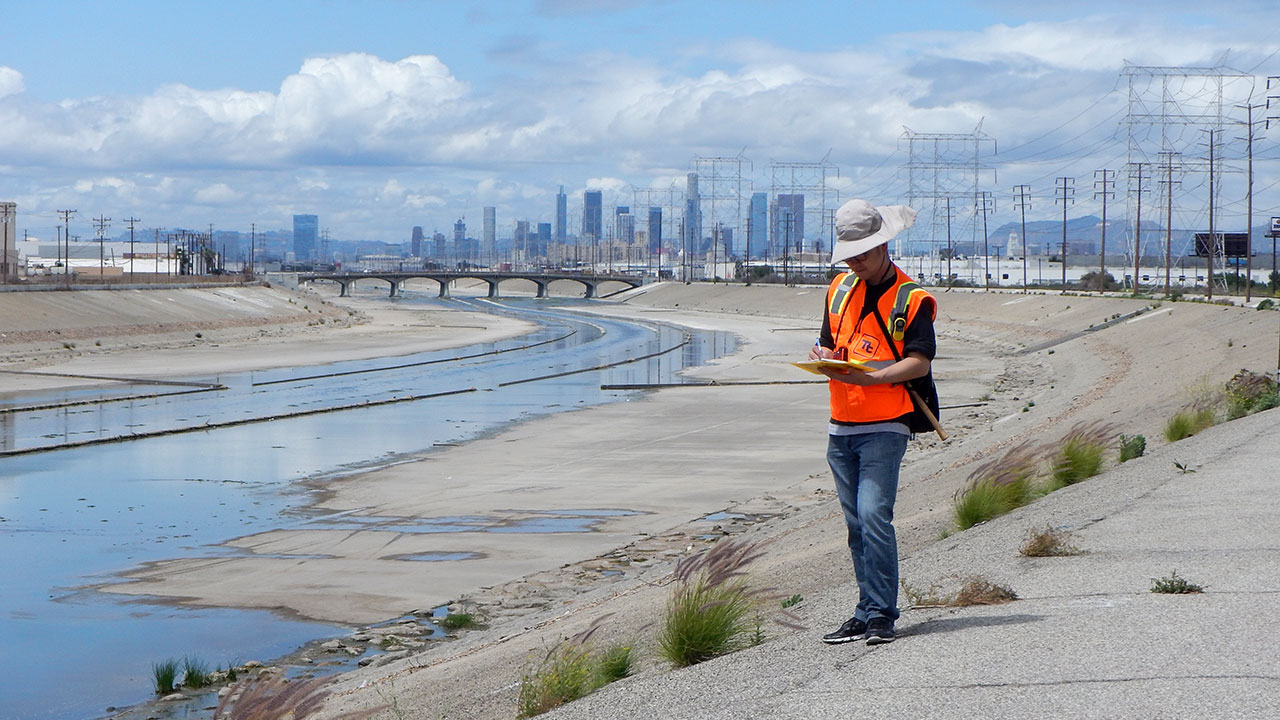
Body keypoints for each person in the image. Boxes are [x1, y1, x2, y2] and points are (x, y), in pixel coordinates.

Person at [809, 198, 937, 646]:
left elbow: (919, 362)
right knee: (856, 525)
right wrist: (821, 358)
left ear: (884, 246)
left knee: (873, 515)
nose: (856, 262)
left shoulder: (912, 298)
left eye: (863, 253)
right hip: (841, 423)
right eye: (849, 255)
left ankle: (883, 612)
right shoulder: (839, 289)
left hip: (887, 422)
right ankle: (865, 611)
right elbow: (828, 344)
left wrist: (879, 376)